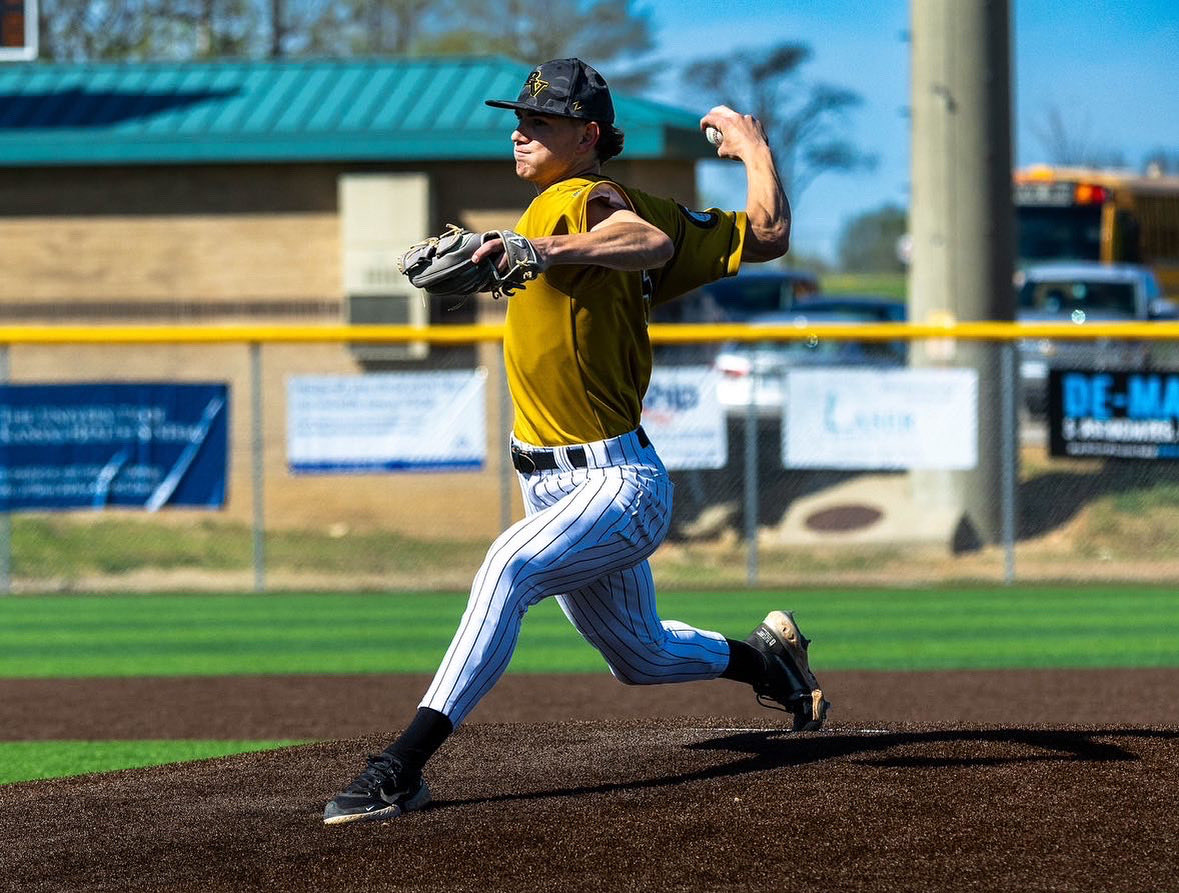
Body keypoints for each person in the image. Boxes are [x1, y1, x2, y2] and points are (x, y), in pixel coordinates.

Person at [323, 57, 829, 826]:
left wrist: (544, 250)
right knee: (643, 656)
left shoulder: (579, 198)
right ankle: (766, 659)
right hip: (554, 482)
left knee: (508, 565)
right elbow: (767, 235)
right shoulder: (590, 205)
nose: (520, 132)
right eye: (520, 119)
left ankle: (399, 766)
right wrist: (753, 152)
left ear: (588, 134)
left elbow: (641, 240)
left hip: (616, 483)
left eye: (542, 121)